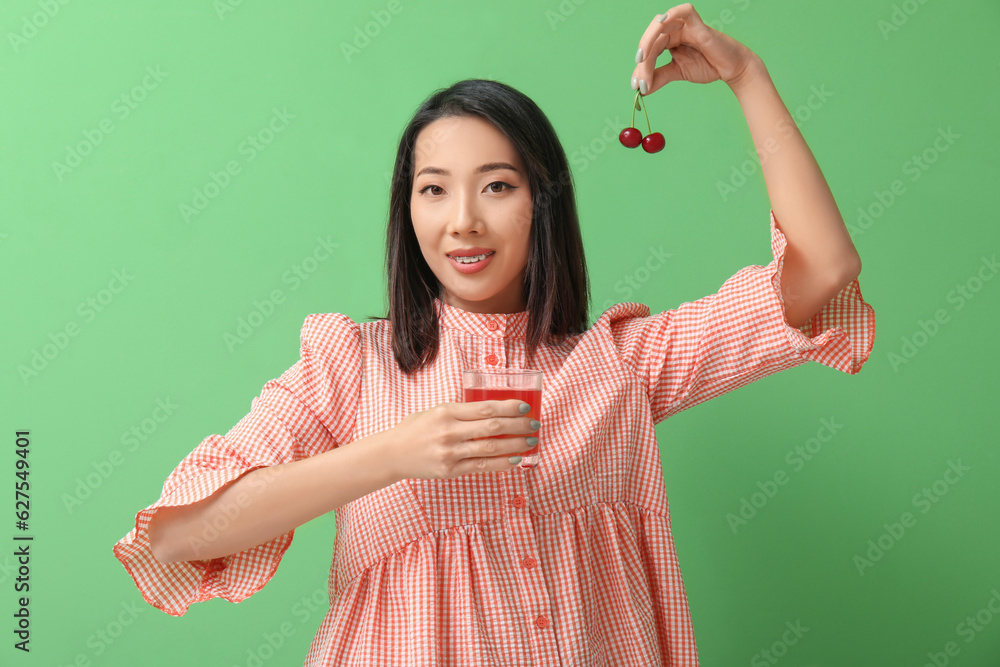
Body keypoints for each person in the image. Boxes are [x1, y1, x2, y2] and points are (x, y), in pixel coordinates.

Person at [112, 5, 875, 665]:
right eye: (433, 190)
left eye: (498, 186)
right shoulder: (350, 366)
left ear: (543, 205)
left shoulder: (618, 365)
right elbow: (182, 533)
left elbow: (826, 269)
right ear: (406, 212)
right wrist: (396, 453)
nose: (463, 221)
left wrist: (749, 76)